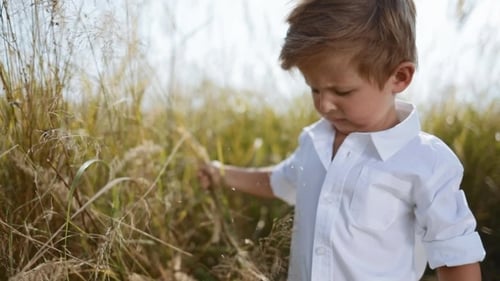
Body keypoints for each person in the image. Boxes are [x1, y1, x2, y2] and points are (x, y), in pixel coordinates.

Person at [197, 0, 486, 280]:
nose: (324, 105)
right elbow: (279, 180)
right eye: (314, 90)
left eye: (342, 92)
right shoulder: (314, 142)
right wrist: (222, 173)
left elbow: (455, 255)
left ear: (399, 77)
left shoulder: (427, 162)